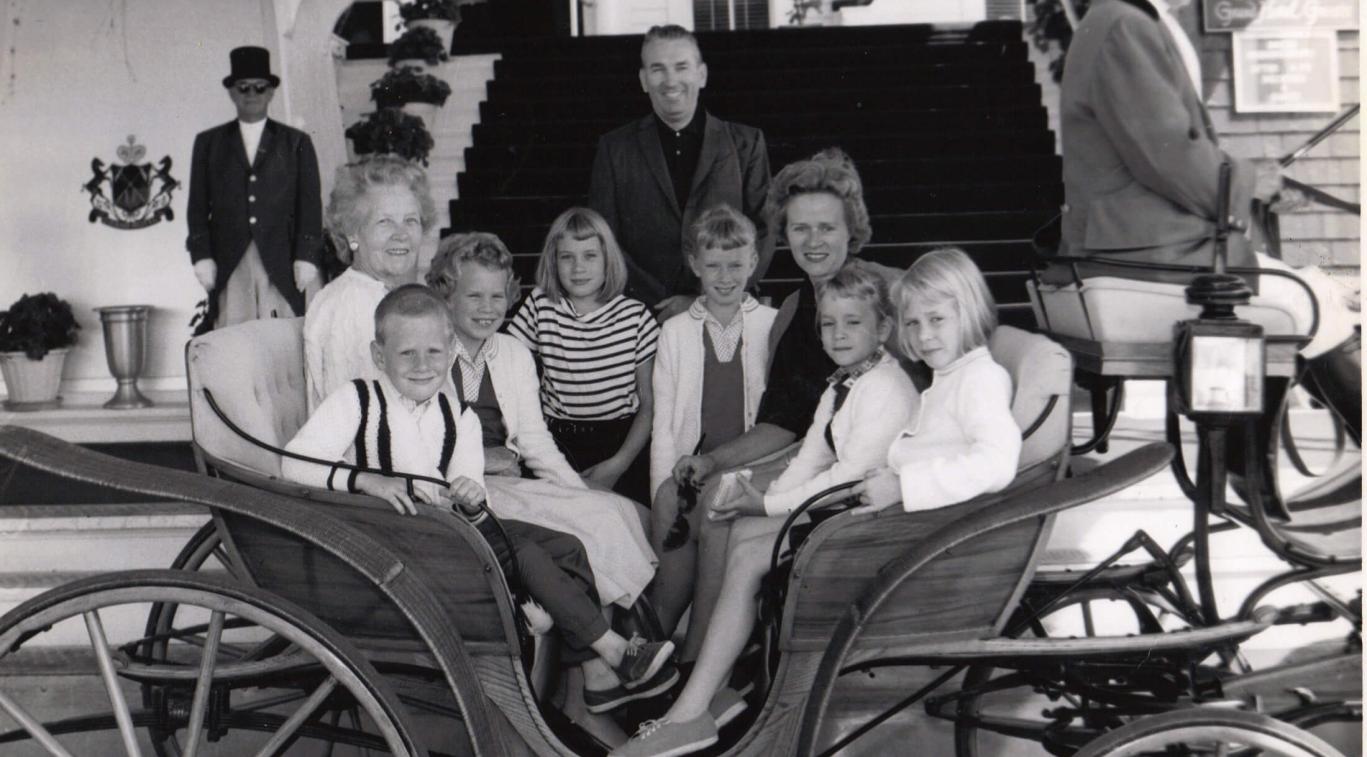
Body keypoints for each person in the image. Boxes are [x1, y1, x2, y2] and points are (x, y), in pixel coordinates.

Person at [282, 285, 676, 717]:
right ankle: (614, 650)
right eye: (406, 354)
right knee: (522, 552)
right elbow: (295, 465)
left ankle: (593, 674)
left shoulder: (458, 416)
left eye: (434, 352)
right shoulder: (358, 400)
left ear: (451, 350)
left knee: (568, 546)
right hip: (391, 547)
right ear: (379, 356)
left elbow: (470, 486)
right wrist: (366, 480)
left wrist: (470, 495)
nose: (422, 366)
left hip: (449, 535)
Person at [611, 261, 919, 756]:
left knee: (753, 554)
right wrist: (757, 507)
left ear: (883, 328)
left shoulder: (884, 387)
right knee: (741, 535)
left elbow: (844, 477)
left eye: (852, 323)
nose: (837, 334)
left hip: (869, 520)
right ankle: (715, 689)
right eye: (828, 323)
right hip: (840, 504)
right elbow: (813, 456)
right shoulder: (844, 380)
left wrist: (770, 502)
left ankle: (687, 713)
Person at [1052, 0, 1360, 443]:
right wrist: (1251, 181)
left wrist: (1252, 182)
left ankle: (1247, 467)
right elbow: (1171, 155)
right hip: (1144, 257)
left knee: (1309, 291)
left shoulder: (1117, 20)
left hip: (1137, 247)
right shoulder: (1124, 25)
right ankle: (1244, 466)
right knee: (1314, 299)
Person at [649, 148, 885, 643]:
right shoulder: (796, 308)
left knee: (721, 500)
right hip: (804, 455)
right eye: (800, 228)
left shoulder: (883, 292)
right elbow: (782, 420)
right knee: (697, 494)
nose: (813, 241)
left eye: (827, 227)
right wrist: (711, 459)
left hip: (860, 469)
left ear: (851, 231)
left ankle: (698, 659)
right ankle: (680, 646)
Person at [425, 232, 658, 621]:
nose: (488, 308)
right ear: (447, 296)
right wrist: (488, 459)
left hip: (509, 482)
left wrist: (576, 491)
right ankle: (604, 645)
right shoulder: (429, 354)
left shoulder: (513, 354)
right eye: (473, 296)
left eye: (497, 296)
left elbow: (535, 441)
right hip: (461, 492)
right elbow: (423, 445)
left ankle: (620, 634)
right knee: (584, 529)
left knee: (605, 512)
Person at [588, 25, 772, 318]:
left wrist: (703, 298)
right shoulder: (614, 149)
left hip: (728, 307)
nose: (670, 80)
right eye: (658, 68)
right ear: (644, 79)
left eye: (681, 67)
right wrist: (659, 301)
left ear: (702, 74)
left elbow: (765, 232)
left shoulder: (746, 144)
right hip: (643, 314)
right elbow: (603, 239)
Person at [648, 204, 775, 605]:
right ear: (695, 265)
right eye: (714, 266)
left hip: (750, 469)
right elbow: (664, 423)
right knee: (669, 582)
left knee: (720, 566)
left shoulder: (770, 324)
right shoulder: (676, 331)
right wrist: (660, 495)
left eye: (736, 265)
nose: (725, 278)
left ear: (753, 261)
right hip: (693, 468)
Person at [506, 208, 660, 505]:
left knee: (624, 520)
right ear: (553, 260)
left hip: (622, 444)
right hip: (558, 441)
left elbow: (649, 405)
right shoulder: (540, 305)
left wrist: (619, 464)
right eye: (567, 257)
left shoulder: (635, 316)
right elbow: (507, 365)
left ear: (608, 260)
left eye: (590, 256)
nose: (578, 267)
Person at [852, 248, 1022, 514]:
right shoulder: (952, 374)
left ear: (968, 312)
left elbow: (997, 463)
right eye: (912, 323)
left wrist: (902, 487)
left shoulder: (980, 379)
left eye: (936, 319)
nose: (924, 335)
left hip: (935, 528)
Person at [187, 45, 323, 329]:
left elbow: (309, 205)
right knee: (234, 333)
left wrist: (306, 256)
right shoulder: (209, 143)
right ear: (232, 92)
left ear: (271, 92)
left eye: (259, 88)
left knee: (283, 334)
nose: (251, 95)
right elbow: (197, 206)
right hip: (231, 259)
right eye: (243, 87)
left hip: (281, 258)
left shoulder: (295, 142)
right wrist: (202, 256)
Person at [304, 156, 434, 410]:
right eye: (384, 222)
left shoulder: (378, 296)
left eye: (411, 221)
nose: (401, 234)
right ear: (352, 232)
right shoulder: (352, 305)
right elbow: (365, 418)